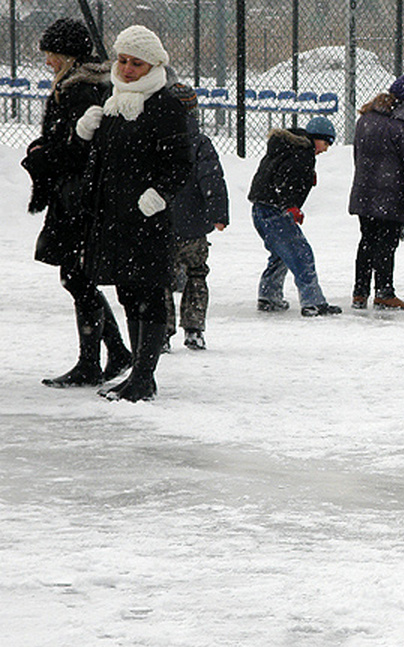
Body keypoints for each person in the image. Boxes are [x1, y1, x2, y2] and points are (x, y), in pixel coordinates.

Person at [76, 25, 192, 402]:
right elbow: (103, 162)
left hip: (146, 219)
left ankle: (144, 377)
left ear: (153, 66)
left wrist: (157, 195)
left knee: (149, 295)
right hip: (114, 217)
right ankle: (139, 375)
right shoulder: (113, 102)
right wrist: (87, 134)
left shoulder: (165, 106)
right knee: (129, 294)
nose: (126, 69)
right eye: (123, 60)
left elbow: (180, 163)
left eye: (136, 63)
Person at [21, 17, 132, 388]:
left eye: (51, 54)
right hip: (80, 195)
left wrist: (43, 157)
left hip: (78, 198)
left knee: (77, 277)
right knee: (78, 277)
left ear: (66, 56)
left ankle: (94, 361)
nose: (47, 61)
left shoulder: (79, 90)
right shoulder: (85, 85)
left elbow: (80, 149)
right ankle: (113, 352)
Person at [348, 74, 404, 310]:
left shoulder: (365, 120)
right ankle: (384, 292)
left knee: (367, 241)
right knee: (387, 244)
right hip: (391, 195)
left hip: (365, 192)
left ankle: (360, 292)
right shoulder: (403, 127)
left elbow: (358, 157)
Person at [249, 115, 341, 317]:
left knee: (282, 253)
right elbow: (284, 179)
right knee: (301, 254)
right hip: (274, 211)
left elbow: (278, 174)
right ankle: (313, 302)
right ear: (316, 137)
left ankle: (269, 296)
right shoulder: (302, 152)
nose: (325, 149)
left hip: (260, 208)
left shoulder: (288, 147)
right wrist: (290, 206)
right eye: (325, 143)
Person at [164, 82, 229, 350]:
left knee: (161, 279)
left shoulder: (156, 139)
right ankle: (193, 328)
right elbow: (212, 180)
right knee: (197, 273)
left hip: (161, 223)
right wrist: (218, 213)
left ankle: (161, 332)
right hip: (193, 225)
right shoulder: (200, 143)